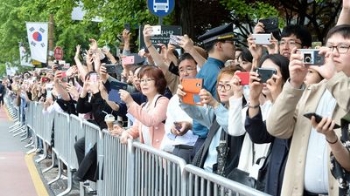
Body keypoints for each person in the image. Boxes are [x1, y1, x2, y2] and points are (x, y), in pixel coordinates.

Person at [266, 24, 350, 195]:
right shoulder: (312, 91)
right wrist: (294, 84)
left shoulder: (337, 84)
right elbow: (276, 128)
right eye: (330, 46)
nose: (334, 52)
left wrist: (334, 77)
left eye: (342, 47)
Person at [178, 66, 244, 175]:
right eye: (220, 85)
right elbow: (197, 114)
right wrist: (183, 99)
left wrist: (215, 104)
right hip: (207, 172)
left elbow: (232, 127)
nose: (222, 89)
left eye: (228, 85)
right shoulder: (217, 110)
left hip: (226, 177)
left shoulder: (244, 111)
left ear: (239, 87)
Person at [187, 23, 237, 159]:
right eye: (231, 42)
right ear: (219, 45)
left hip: (202, 137)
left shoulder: (205, 69)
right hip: (212, 139)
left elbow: (195, 101)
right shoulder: (217, 73)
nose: (234, 46)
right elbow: (218, 109)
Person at [112, 66, 169, 149]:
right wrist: (123, 132)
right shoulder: (144, 106)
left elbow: (151, 120)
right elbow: (135, 129)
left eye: (148, 80)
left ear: (158, 82)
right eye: (142, 80)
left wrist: (130, 102)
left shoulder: (163, 101)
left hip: (162, 156)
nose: (144, 83)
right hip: (149, 156)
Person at [160, 53, 198, 160]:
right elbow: (168, 127)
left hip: (199, 148)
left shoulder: (206, 96)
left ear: (198, 69)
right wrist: (173, 129)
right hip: (178, 150)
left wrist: (190, 125)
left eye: (189, 68)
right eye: (181, 70)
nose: (185, 73)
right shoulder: (174, 100)